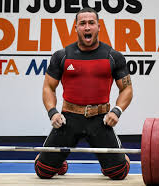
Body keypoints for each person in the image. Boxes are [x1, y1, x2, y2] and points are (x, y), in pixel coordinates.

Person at [34, 7, 133, 180]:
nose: (87, 27)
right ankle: (57, 163)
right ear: (76, 27)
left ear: (98, 26)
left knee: (118, 173)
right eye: (82, 23)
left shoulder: (113, 56)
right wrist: (52, 112)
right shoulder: (61, 56)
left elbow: (127, 89)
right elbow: (48, 87)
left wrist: (116, 111)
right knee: (42, 171)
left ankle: (118, 159)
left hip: (100, 119)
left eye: (91, 23)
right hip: (69, 118)